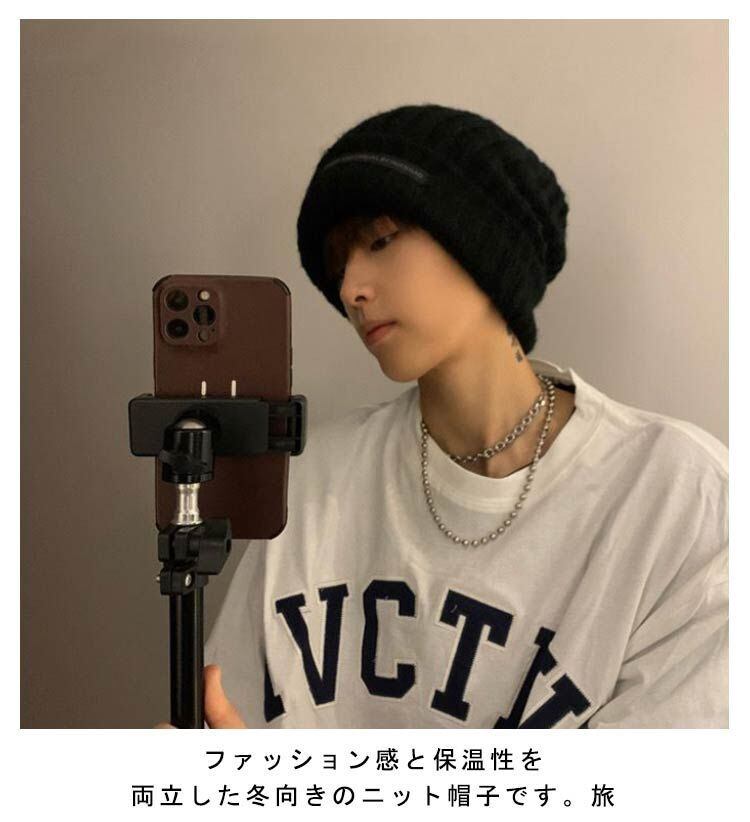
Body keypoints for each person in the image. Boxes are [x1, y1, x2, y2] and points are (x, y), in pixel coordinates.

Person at [156, 102, 728, 729]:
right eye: (339, 265)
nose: (350, 289)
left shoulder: (679, 496)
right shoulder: (315, 482)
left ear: (485, 241)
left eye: (380, 240)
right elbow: (234, 723)